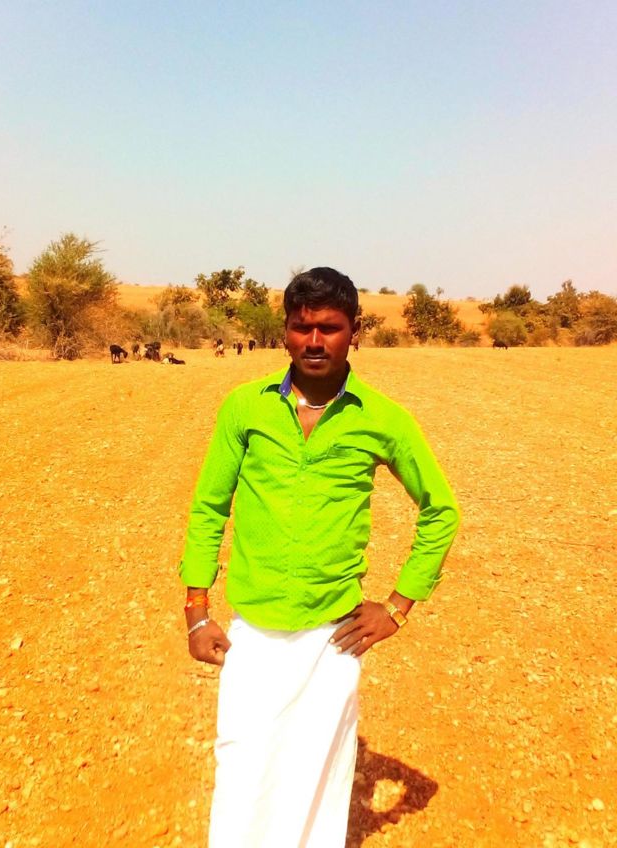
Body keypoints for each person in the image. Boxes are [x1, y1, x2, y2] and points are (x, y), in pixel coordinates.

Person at [179, 267, 460, 848]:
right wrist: (197, 611)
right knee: (242, 768)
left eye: (329, 328)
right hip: (253, 630)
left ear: (354, 331)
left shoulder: (383, 419)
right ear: (284, 331)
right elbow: (209, 508)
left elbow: (441, 511)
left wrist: (398, 606)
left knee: (318, 775)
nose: (313, 341)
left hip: (334, 637)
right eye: (301, 327)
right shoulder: (245, 408)